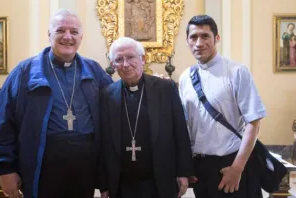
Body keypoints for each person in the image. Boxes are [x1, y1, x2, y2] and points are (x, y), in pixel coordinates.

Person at [0, 9, 112, 198]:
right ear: (49, 35)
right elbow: (4, 123)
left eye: (74, 32)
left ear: (81, 37)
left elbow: (116, 109)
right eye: (60, 30)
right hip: (41, 166)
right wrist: (5, 168)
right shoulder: (24, 72)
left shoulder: (94, 71)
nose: (67, 37)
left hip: (84, 167)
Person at [179, 15, 266, 198]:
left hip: (231, 162)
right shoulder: (186, 77)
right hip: (201, 166)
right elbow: (185, 125)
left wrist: (237, 168)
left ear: (216, 38)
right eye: (193, 37)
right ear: (187, 41)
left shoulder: (236, 71)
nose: (199, 43)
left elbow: (254, 122)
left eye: (205, 36)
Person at [100, 37, 193, 198]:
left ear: (142, 59)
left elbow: (180, 131)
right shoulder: (107, 95)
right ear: (113, 65)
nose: (125, 64)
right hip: (123, 184)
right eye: (119, 59)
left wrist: (183, 172)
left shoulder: (166, 88)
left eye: (130, 57)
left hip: (160, 181)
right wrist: (104, 184)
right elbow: (103, 143)